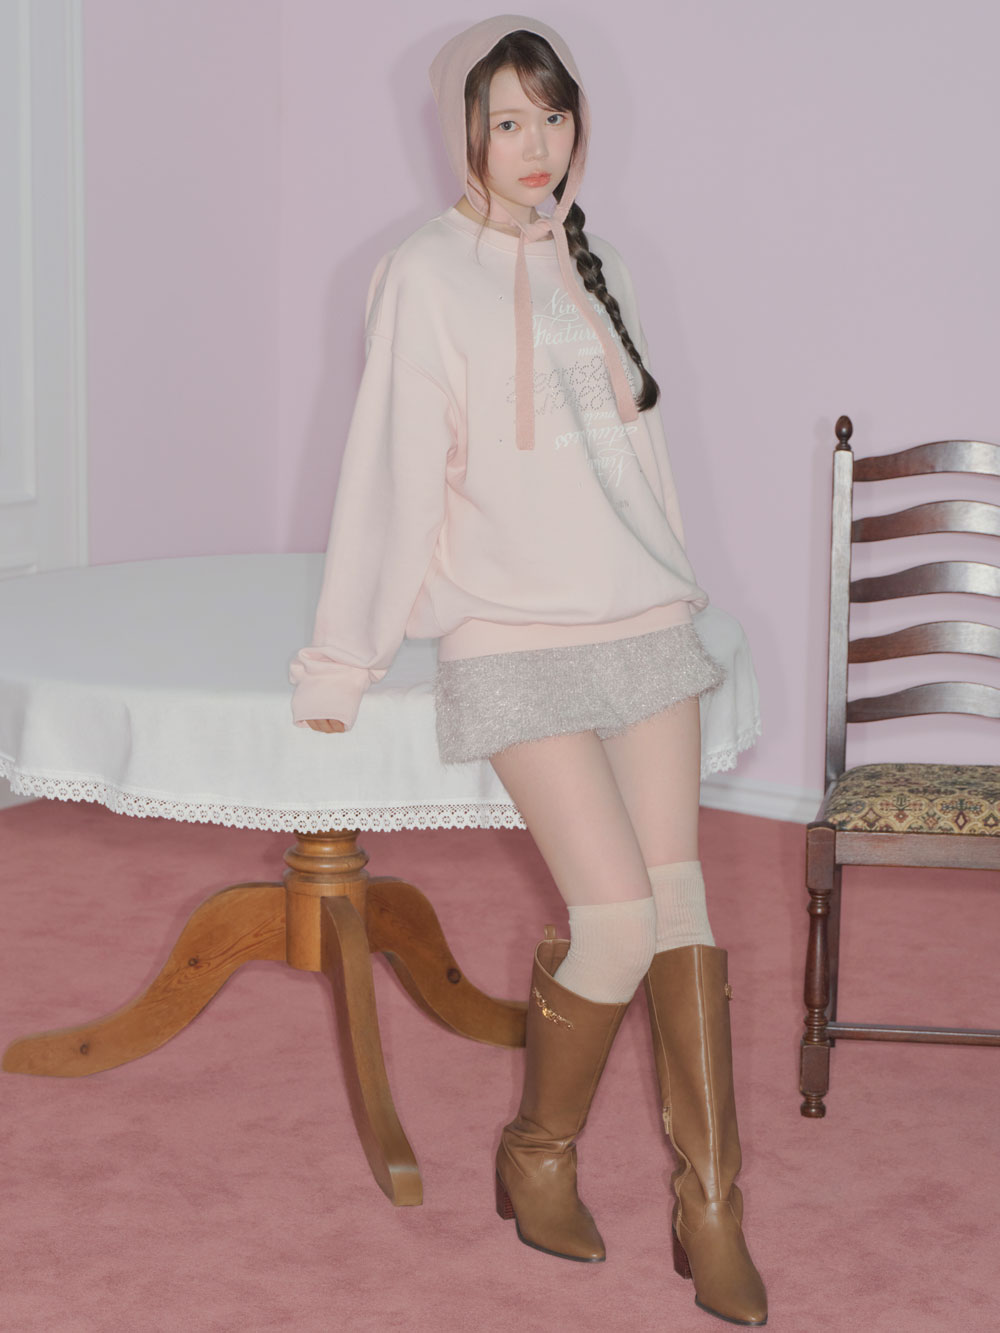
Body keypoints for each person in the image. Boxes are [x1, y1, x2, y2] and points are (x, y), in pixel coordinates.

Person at [288, 14, 766, 1327]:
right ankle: (537, 1153)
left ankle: (711, 1204)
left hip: (639, 620)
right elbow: (388, 474)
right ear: (464, 132)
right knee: (612, 919)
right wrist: (345, 655)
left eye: (553, 117)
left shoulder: (591, 261)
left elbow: (642, 459)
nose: (536, 144)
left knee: (682, 908)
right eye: (508, 120)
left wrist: (679, 584)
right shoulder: (420, 273)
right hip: (509, 629)